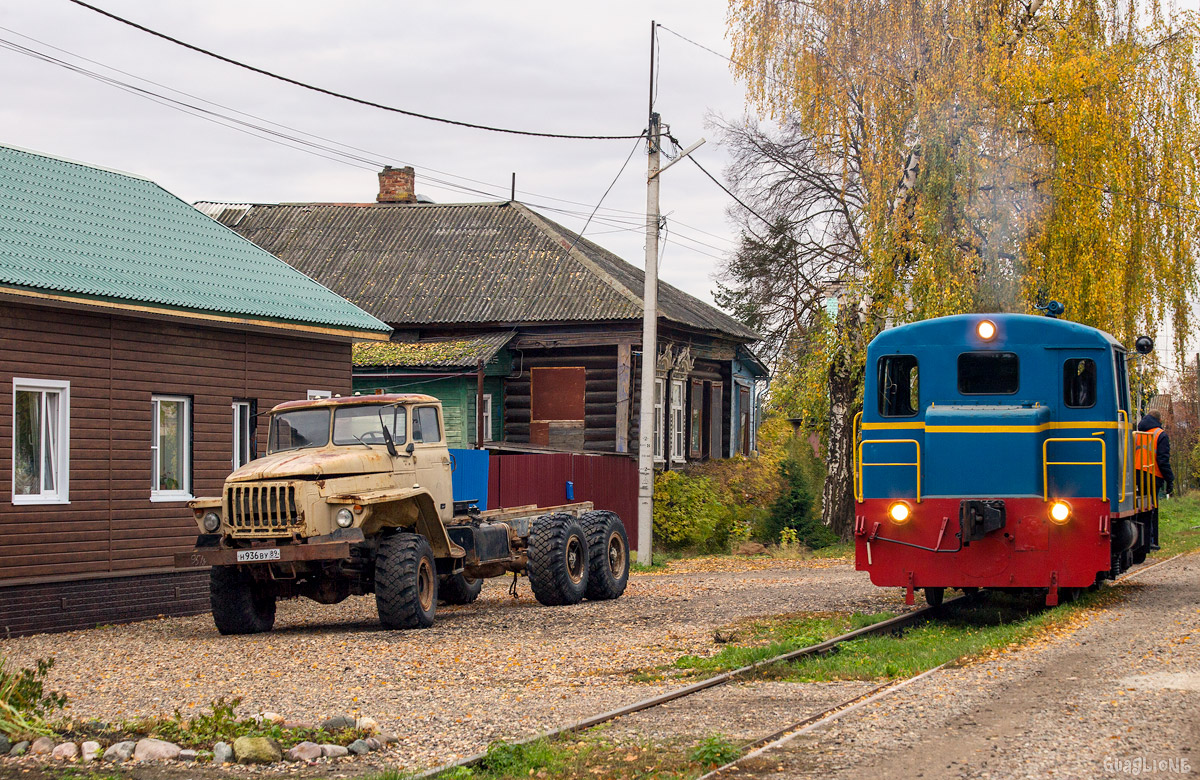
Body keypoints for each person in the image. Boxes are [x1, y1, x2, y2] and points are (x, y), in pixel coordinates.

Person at [1136, 410, 1174, 550]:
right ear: (1159, 420)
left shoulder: (1138, 433)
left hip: (1136, 475)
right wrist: (1170, 480)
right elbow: (1163, 460)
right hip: (1152, 474)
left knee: (1140, 509)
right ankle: (1151, 541)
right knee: (1152, 508)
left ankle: (1140, 542)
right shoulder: (1160, 434)